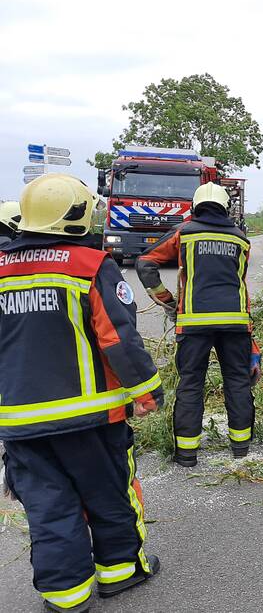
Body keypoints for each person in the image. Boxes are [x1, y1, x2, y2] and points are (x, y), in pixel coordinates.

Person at [0, 174, 162, 612]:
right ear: (76, 216)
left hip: (20, 424)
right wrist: (148, 391)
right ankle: (121, 572)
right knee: (110, 495)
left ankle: (65, 596)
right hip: (91, 420)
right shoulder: (89, 265)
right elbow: (118, 338)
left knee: (48, 507)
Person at [136, 183, 261, 468]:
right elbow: (241, 286)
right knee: (238, 382)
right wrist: (251, 338)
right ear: (226, 207)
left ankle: (187, 454)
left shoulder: (185, 232)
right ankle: (241, 448)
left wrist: (167, 301)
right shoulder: (241, 239)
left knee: (191, 384)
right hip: (235, 323)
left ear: (195, 206)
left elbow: (145, 264)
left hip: (193, 324)